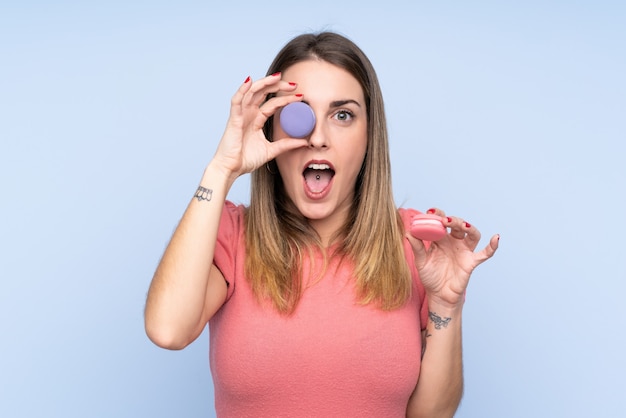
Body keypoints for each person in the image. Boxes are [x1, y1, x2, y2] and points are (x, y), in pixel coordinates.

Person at [144, 31, 499, 417]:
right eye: (299, 116)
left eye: (342, 115)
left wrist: (447, 305)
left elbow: (430, 416)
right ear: (271, 130)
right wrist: (221, 169)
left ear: (368, 136)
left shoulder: (415, 245)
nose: (317, 138)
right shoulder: (231, 236)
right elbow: (168, 330)